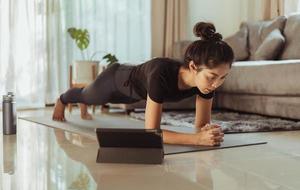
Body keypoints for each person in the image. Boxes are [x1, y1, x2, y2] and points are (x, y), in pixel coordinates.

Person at [52, 22, 234, 146]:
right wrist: (196, 140)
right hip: (114, 80)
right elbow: (151, 132)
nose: (216, 84)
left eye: (222, 77)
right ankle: (62, 99)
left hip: (133, 94)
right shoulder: (161, 73)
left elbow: (201, 124)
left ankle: (82, 100)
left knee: (89, 98)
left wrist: (207, 132)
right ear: (194, 67)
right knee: (86, 96)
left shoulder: (207, 83)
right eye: (212, 77)